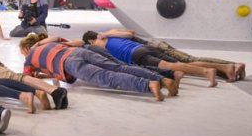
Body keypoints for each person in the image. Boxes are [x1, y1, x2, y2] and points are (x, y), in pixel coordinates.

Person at [19, 32, 173, 101]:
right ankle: (162, 79)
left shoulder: (29, 59)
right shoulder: (48, 43)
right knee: (118, 68)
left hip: (70, 63)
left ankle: (148, 85)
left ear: (26, 49)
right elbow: (72, 44)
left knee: (107, 77)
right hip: (77, 52)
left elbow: (25, 78)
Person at [82, 30, 235, 85]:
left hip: (136, 55)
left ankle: (207, 72)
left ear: (90, 41)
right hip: (144, 47)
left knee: (171, 66)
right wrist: (109, 34)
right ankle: (225, 67)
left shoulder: (96, 45)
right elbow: (130, 34)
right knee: (182, 62)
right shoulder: (110, 33)